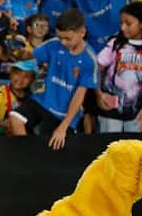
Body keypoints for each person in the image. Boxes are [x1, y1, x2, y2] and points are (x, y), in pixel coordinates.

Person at [8, 8, 98, 149]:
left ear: (82, 33)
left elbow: (79, 96)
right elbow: (30, 55)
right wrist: (18, 50)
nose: (62, 42)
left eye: (67, 38)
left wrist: (63, 127)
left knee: (52, 145)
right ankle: (26, 157)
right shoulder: (53, 44)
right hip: (43, 101)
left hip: (64, 113)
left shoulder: (89, 60)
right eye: (60, 37)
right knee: (15, 117)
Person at [95, 2, 142, 134]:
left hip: (137, 112)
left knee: (134, 150)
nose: (123, 27)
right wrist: (99, 94)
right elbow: (98, 69)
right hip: (110, 110)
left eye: (128, 23)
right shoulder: (115, 43)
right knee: (110, 149)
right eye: (121, 23)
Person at [0, 59, 37, 136]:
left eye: (26, 76)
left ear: (32, 80)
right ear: (11, 74)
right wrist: (4, 124)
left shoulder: (33, 98)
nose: (20, 78)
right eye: (17, 73)